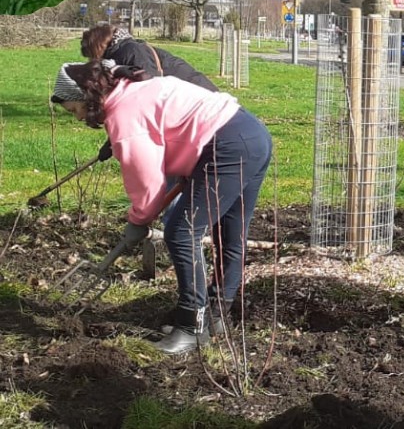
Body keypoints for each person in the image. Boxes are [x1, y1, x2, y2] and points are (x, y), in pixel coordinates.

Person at [51, 60, 273, 355]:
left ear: (87, 96)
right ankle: (217, 314)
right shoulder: (134, 91)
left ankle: (192, 326)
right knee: (230, 235)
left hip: (225, 145)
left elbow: (147, 183)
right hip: (251, 133)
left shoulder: (124, 115)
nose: (77, 117)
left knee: (182, 233)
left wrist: (138, 220)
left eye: (73, 109)